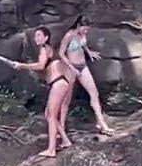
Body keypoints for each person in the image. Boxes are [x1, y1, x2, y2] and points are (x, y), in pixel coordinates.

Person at [9, 26, 77, 158]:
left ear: (46, 38)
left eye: (40, 35)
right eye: (36, 36)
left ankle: (51, 150)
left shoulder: (44, 49)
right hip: (58, 83)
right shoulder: (47, 49)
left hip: (58, 83)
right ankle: (65, 140)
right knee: (48, 114)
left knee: (51, 116)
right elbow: (44, 68)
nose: (37, 38)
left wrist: (22, 65)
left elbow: (40, 65)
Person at [58, 15, 113, 134]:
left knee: (94, 93)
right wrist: (71, 67)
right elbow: (61, 53)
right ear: (78, 25)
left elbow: (83, 45)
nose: (86, 31)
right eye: (84, 29)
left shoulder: (83, 34)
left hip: (83, 67)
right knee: (67, 98)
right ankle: (61, 126)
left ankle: (102, 123)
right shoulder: (69, 35)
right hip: (70, 68)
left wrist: (89, 52)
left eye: (87, 29)